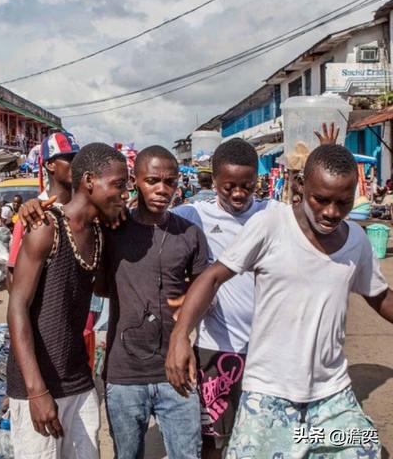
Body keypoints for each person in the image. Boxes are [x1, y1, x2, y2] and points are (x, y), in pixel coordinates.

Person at [167, 144, 392, 458]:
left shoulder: (356, 240)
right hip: (268, 395)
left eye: (343, 202)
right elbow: (213, 276)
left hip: (331, 394)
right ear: (301, 187)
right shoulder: (271, 226)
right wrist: (180, 336)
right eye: (321, 200)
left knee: (365, 450)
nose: (331, 212)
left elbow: (379, 296)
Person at [6, 143, 128, 459]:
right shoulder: (47, 227)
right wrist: (36, 391)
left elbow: (101, 289)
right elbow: (17, 305)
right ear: (89, 181)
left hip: (78, 381)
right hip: (39, 384)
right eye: (117, 184)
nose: (124, 193)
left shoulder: (98, 234)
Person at [97, 145, 208, 459]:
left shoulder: (190, 234)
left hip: (177, 372)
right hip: (124, 375)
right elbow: (101, 286)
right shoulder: (113, 230)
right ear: (136, 181)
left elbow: (205, 289)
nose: (162, 190)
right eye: (152, 180)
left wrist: (191, 301)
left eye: (170, 182)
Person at [171, 139, 277, 458]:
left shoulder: (273, 214)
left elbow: (323, 206)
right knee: (212, 439)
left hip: (267, 350)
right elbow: (145, 220)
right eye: (228, 186)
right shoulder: (193, 215)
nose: (239, 194)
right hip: (214, 349)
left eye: (247, 185)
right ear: (213, 181)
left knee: (265, 436)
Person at [8, 131, 80, 287]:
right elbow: (13, 278)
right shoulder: (32, 214)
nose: (76, 164)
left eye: (78, 158)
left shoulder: (84, 208)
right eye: (69, 158)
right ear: (50, 164)